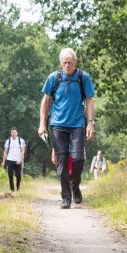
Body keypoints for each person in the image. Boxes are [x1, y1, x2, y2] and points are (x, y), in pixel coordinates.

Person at [38, 48, 96, 209]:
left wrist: (90, 122)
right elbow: (45, 100)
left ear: (75, 62)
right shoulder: (53, 78)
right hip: (57, 124)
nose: (68, 65)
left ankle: (74, 185)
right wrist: (42, 123)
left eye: (70, 62)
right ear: (61, 63)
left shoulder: (83, 78)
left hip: (78, 124)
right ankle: (66, 197)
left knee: (78, 158)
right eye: (65, 62)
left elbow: (90, 100)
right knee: (61, 161)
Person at [2, 127, 28, 192]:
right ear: (10, 133)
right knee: (10, 175)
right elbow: (5, 151)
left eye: (14, 132)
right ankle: (12, 190)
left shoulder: (21, 140)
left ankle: (18, 187)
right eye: (12, 132)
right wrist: (3, 161)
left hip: (18, 160)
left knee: (18, 175)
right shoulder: (8, 141)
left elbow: (23, 151)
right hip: (10, 160)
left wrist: (20, 159)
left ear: (17, 133)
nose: (13, 134)